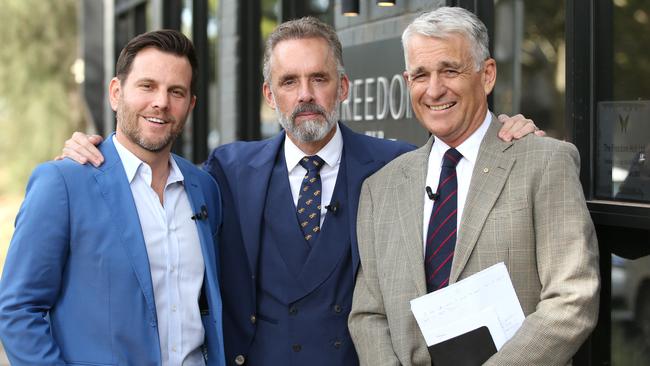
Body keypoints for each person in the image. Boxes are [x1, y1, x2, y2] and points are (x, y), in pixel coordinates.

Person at [59, 17, 541, 366]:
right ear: (270, 95)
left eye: (319, 79)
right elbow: (152, 181)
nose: (305, 94)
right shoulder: (226, 170)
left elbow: (466, 161)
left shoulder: (396, 166)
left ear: (344, 87)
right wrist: (93, 151)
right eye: (289, 81)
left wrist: (511, 131)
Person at [348, 7, 600, 366]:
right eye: (421, 75)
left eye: (450, 70)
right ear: (408, 82)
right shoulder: (380, 189)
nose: (434, 89)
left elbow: (573, 299)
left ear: (487, 75)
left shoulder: (544, 163)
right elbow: (368, 315)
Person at [0, 30, 226, 366]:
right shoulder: (62, 183)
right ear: (116, 93)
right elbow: (18, 309)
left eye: (176, 91)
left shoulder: (204, 189)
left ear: (190, 104)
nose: (161, 102)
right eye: (147, 86)